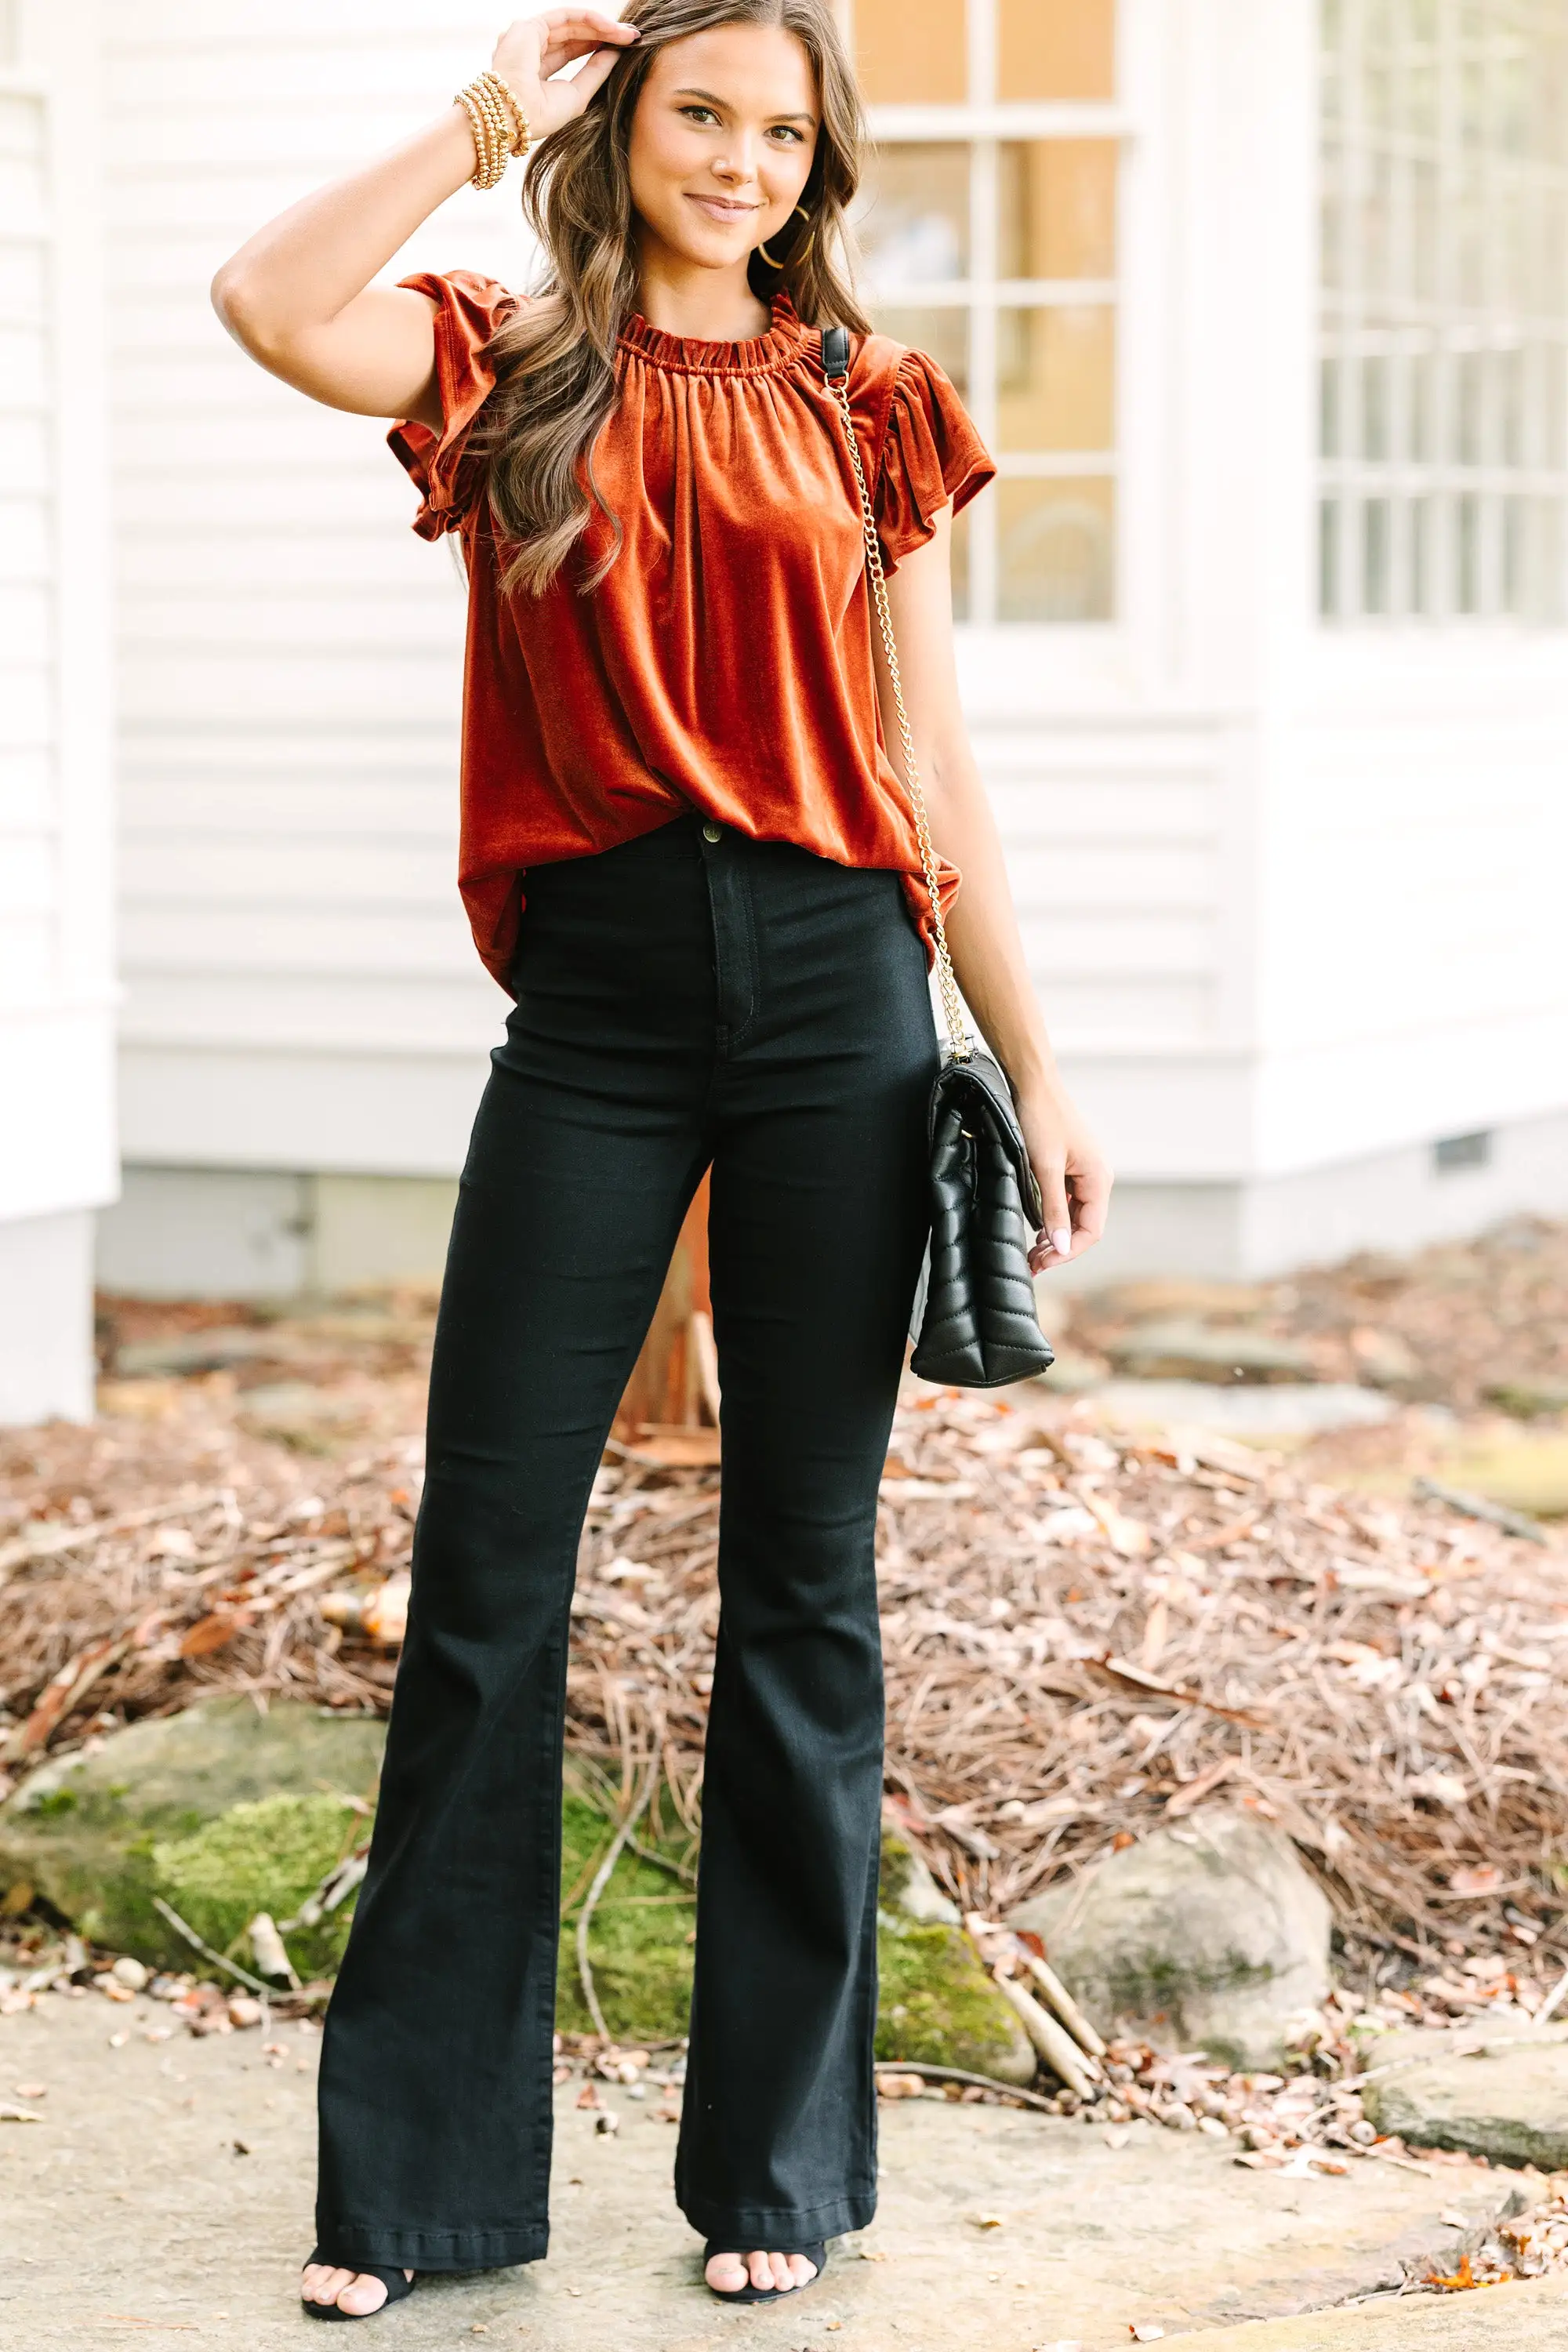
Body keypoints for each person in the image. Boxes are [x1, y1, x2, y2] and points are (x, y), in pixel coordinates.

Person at [212, 0, 1111, 2321]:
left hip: (840, 1006)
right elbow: (264, 301)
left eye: (778, 128)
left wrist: (1044, 1063)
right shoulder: (506, 364)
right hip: (594, 1008)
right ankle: (417, 2200)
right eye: (698, 112)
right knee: (489, 1572)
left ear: (821, 165)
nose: (737, 158)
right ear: (631, 127)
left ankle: (778, 2182)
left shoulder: (872, 403)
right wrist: (488, 110)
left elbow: (935, 768)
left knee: (803, 1592)